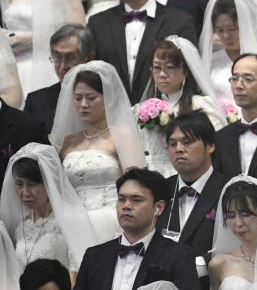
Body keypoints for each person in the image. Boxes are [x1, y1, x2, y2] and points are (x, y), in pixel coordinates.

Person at [65, 167, 204, 290]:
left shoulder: (177, 256)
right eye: (121, 199)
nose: (126, 205)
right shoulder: (95, 256)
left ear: (159, 207)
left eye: (136, 199)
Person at [50, 62, 143, 240]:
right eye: (78, 98)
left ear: (106, 97)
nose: (83, 104)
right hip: (73, 222)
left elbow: (137, 184)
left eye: (91, 98)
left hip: (111, 220)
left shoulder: (122, 136)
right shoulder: (67, 143)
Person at [133, 39, 225, 177]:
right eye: (157, 68)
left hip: (189, 176)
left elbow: (217, 147)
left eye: (170, 67)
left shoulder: (202, 106)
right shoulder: (139, 110)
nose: (162, 74)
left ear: (186, 71)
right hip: (148, 177)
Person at [1, 144, 96, 275]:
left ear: (49, 182)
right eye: (19, 184)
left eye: (32, 185)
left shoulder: (70, 219)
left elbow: (81, 269)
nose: (25, 192)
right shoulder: (22, 226)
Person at [153, 112, 223, 277]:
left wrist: (195, 266)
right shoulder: (159, 190)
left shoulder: (229, 189)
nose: (178, 149)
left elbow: (239, 245)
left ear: (210, 146)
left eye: (187, 142)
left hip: (209, 287)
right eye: (172, 143)